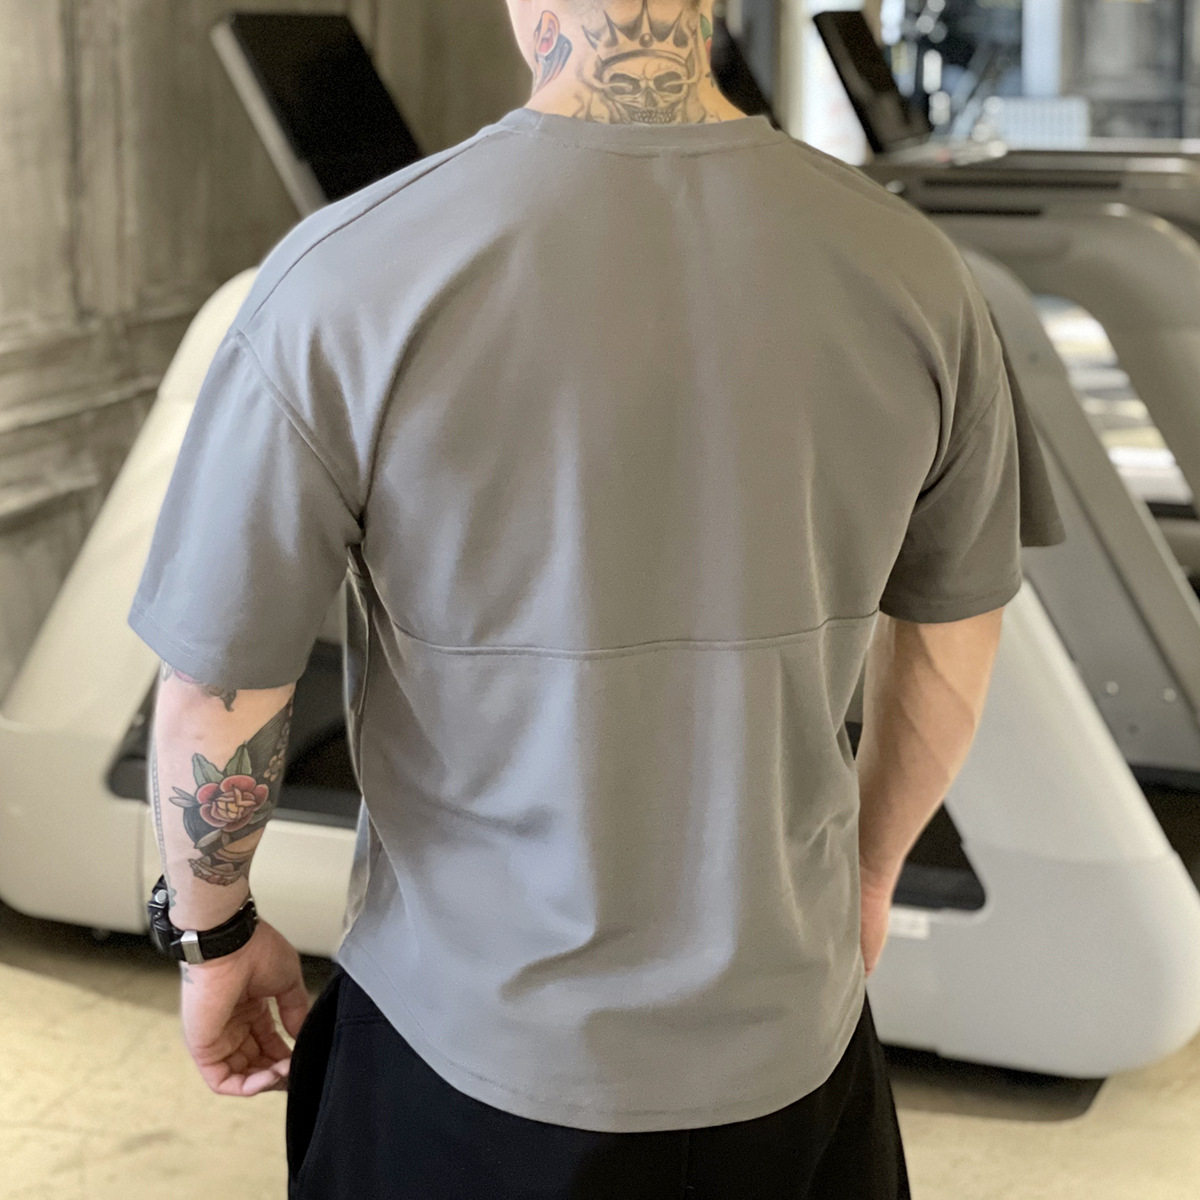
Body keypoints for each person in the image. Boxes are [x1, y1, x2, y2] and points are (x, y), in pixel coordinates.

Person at [127, 1, 1063, 1196]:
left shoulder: (341, 274)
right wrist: (864, 880)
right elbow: (951, 636)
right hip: (793, 1049)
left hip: (460, 1054)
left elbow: (219, 689)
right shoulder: (919, 272)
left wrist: (212, 936)